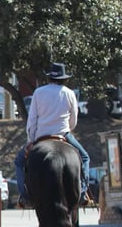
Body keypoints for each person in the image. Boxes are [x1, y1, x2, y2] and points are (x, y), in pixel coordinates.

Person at [14, 62, 90, 207]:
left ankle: (24, 196)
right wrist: (67, 129)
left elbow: (32, 120)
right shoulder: (69, 93)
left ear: (49, 77)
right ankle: (82, 192)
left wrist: (31, 139)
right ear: (64, 78)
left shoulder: (39, 92)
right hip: (63, 135)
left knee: (19, 162)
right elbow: (73, 119)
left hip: (40, 136)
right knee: (85, 157)